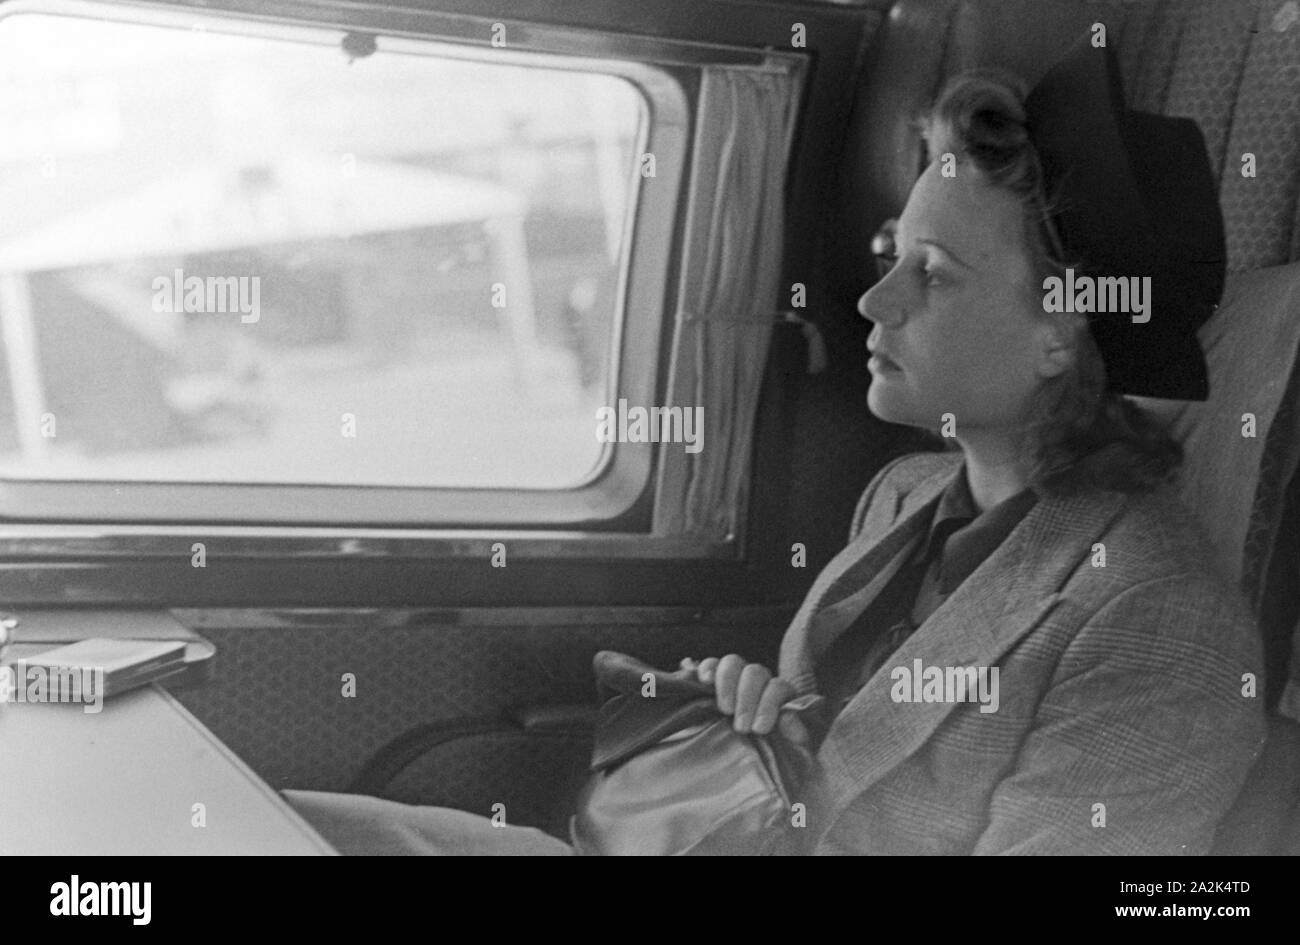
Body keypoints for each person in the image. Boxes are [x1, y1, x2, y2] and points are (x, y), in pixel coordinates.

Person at [285, 42, 1266, 855]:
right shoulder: (905, 493)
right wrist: (766, 709)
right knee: (290, 830)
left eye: (932, 275)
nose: (875, 302)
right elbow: (841, 753)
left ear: (1061, 331)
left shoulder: (1152, 618)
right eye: (891, 260)